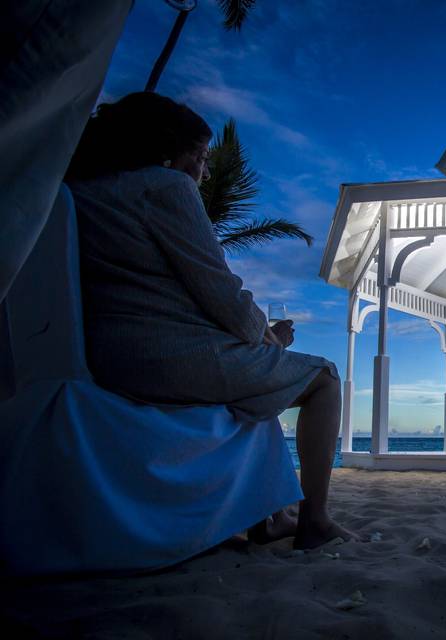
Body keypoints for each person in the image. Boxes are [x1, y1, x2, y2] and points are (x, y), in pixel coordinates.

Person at [65, 92, 351, 550]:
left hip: (108, 355)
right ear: (166, 151)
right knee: (323, 377)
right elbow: (222, 292)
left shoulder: (80, 192)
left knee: (261, 382)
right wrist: (268, 336)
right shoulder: (162, 188)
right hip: (168, 360)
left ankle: (269, 515)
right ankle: (314, 521)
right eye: (198, 156)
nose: (202, 171)